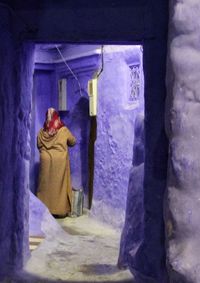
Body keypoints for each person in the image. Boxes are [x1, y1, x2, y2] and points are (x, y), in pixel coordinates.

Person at [37, 107, 76, 217]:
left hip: (45, 160)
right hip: (60, 161)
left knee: (45, 185)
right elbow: (72, 141)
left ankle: (44, 210)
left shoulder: (42, 131)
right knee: (59, 187)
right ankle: (58, 211)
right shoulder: (63, 130)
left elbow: (38, 144)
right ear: (56, 117)